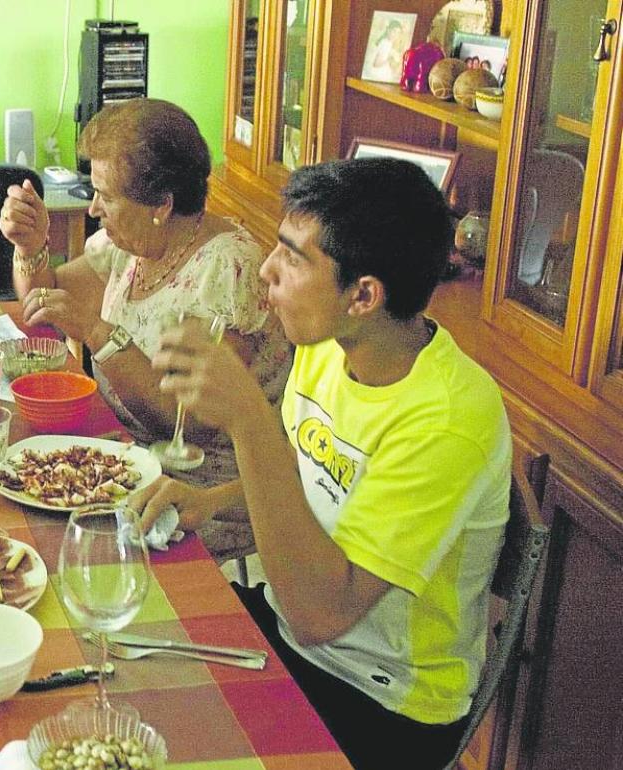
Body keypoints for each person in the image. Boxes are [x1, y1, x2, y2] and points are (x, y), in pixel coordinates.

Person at [130, 157, 511, 769]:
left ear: (363, 295)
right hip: (291, 632)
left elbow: (319, 616)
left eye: (293, 256)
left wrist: (248, 417)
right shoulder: (331, 345)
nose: (266, 270)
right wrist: (213, 499)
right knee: (124, 684)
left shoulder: (446, 419)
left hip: (378, 697)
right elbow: (309, 480)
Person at [0, 98, 290, 556]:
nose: (94, 208)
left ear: (161, 205)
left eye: (106, 196)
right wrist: (31, 246)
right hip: (127, 464)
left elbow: (190, 424)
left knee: (60, 557)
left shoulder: (228, 267)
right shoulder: (133, 243)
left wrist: (98, 333)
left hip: (200, 501)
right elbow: (45, 297)